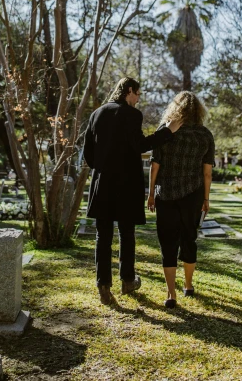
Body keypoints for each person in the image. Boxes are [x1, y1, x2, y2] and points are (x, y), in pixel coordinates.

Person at [84, 77, 183, 304]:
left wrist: (102, 168)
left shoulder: (96, 114)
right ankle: (128, 281)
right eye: (138, 94)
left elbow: (88, 153)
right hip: (127, 185)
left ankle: (103, 286)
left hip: (102, 183)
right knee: (126, 234)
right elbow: (140, 145)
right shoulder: (132, 115)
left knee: (103, 236)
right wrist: (168, 131)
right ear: (129, 91)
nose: (138, 99)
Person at [148, 91, 214, 308]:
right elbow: (207, 172)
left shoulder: (166, 132)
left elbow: (154, 165)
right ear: (199, 111)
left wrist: (150, 194)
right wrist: (206, 198)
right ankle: (188, 285)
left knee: (168, 242)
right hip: (193, 194)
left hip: (165, 193)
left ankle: (171, 294)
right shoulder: (205, 135)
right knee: (189, 238)